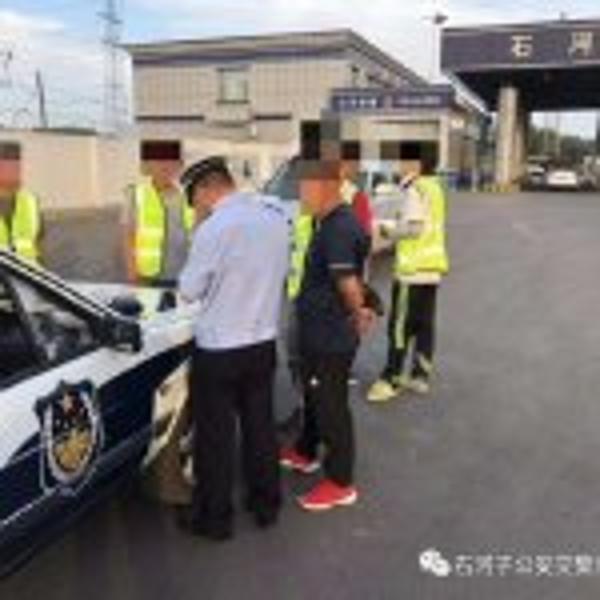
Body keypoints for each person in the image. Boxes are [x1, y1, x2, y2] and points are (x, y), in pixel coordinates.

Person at [177, 156, 289, 540]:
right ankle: (266, 504)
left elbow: (189, 289)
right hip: (262, 342)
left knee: (215, 436)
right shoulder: (274, 218)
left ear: (206, 189)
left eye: (194, 199)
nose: (196, 207)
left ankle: (215, 519)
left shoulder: (214, 228)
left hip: (220, 348)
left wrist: (199, 229)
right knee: (260, 427)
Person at [280, 152, 375, 513]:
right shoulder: (327, 222)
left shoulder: (338, 227)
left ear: (327, 184)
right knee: (314, 397)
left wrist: (359, 312)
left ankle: (340, 482)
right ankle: (306, 451)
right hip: (317, 332)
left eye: (306, 184)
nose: (300, 192)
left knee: (331, 406)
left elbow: (348, 282)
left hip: (331, 338)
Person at [367, 154, 450, 403]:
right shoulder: (434, 188)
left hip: (411, 272)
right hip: (430, 268)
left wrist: (385, 230)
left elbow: (413, 228)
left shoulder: (415, 190)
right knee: (424, 324)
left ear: (416, 164)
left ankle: (391, 379)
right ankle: (420, 375)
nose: (399, 164)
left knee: (400, 327)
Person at [122, 140, 196, 286]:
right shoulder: (136, 194)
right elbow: (128, 237)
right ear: (147, 166)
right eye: (159, 161)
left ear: (180, 165)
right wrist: (132, 273)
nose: (165, 166)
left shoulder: (189, 194)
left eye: (171, 161)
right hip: (149, 276)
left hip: (185, 273)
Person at [0, 142, 43, 264]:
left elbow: (37, 241)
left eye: (15, 166)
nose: (11, 172)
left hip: (26, 270)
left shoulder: (30, 201)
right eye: (5, 166)